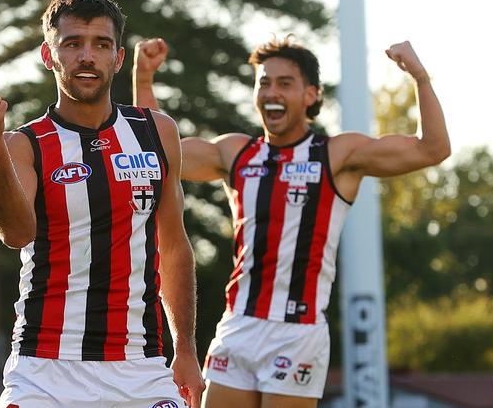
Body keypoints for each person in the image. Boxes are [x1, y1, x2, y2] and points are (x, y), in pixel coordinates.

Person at [133, 36, 450, 408]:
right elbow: (155, 154)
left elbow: (433, 148)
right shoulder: (236, 152)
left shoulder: (336, 154)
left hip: (297, 333)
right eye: (264, 82)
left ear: (311, 95)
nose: (272, 92)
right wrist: (143, 79)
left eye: (285, 83)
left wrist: (420, 76)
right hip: (238, 325)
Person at [0, 0, 205, 408]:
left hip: (140, 364)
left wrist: (184, 348)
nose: (87, 56)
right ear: (48, 55)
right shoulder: (24, 144)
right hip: (46, 368)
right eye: (72, 44)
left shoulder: (157, 131)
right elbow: (16, 233)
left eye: (101, 44)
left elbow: (173, 246)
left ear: (118, 58)